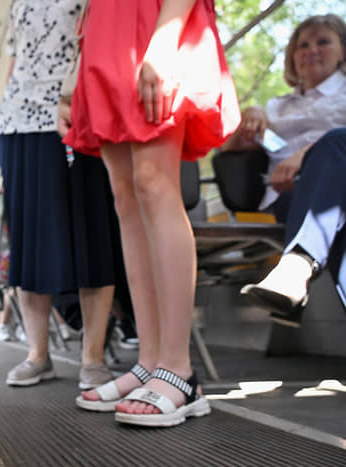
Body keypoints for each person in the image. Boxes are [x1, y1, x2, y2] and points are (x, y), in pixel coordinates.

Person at [64, 0, 240, 426]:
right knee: (125, 197)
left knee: (155, 183)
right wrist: (75, 71)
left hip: (153, 18)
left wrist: (165, 39)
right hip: (104, 31)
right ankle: (150, 360)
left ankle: (179, 368)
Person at [224, 14, 346, 406]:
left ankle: (298, 262)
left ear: (343, 52)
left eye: (322, 41)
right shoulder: (276, 106)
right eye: (302, 45)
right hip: (311, 198)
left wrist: (309, 152)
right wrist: (246, 122)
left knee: (337, 143)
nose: (311, 51)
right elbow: (231, 151)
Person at [0, 0, 121, 391]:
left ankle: (94, 356)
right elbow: (12, 63)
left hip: (78, 113)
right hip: (18, 123)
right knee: (28, 243)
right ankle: (38, 354)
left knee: (90, 234)